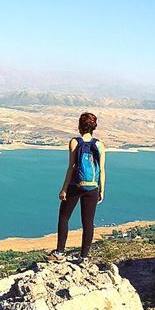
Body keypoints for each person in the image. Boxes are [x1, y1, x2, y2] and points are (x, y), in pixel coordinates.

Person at [47, 112, 106, 263]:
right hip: (92, 187)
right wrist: (101, 190)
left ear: (80, 126)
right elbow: (102, 170)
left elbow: (71, 167)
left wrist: (64, 188)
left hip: (76, 185)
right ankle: (84, 257)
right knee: (88, 222)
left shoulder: (75, 142)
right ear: (94, 127)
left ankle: (60, 252)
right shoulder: (99, 145)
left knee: (64, 217)